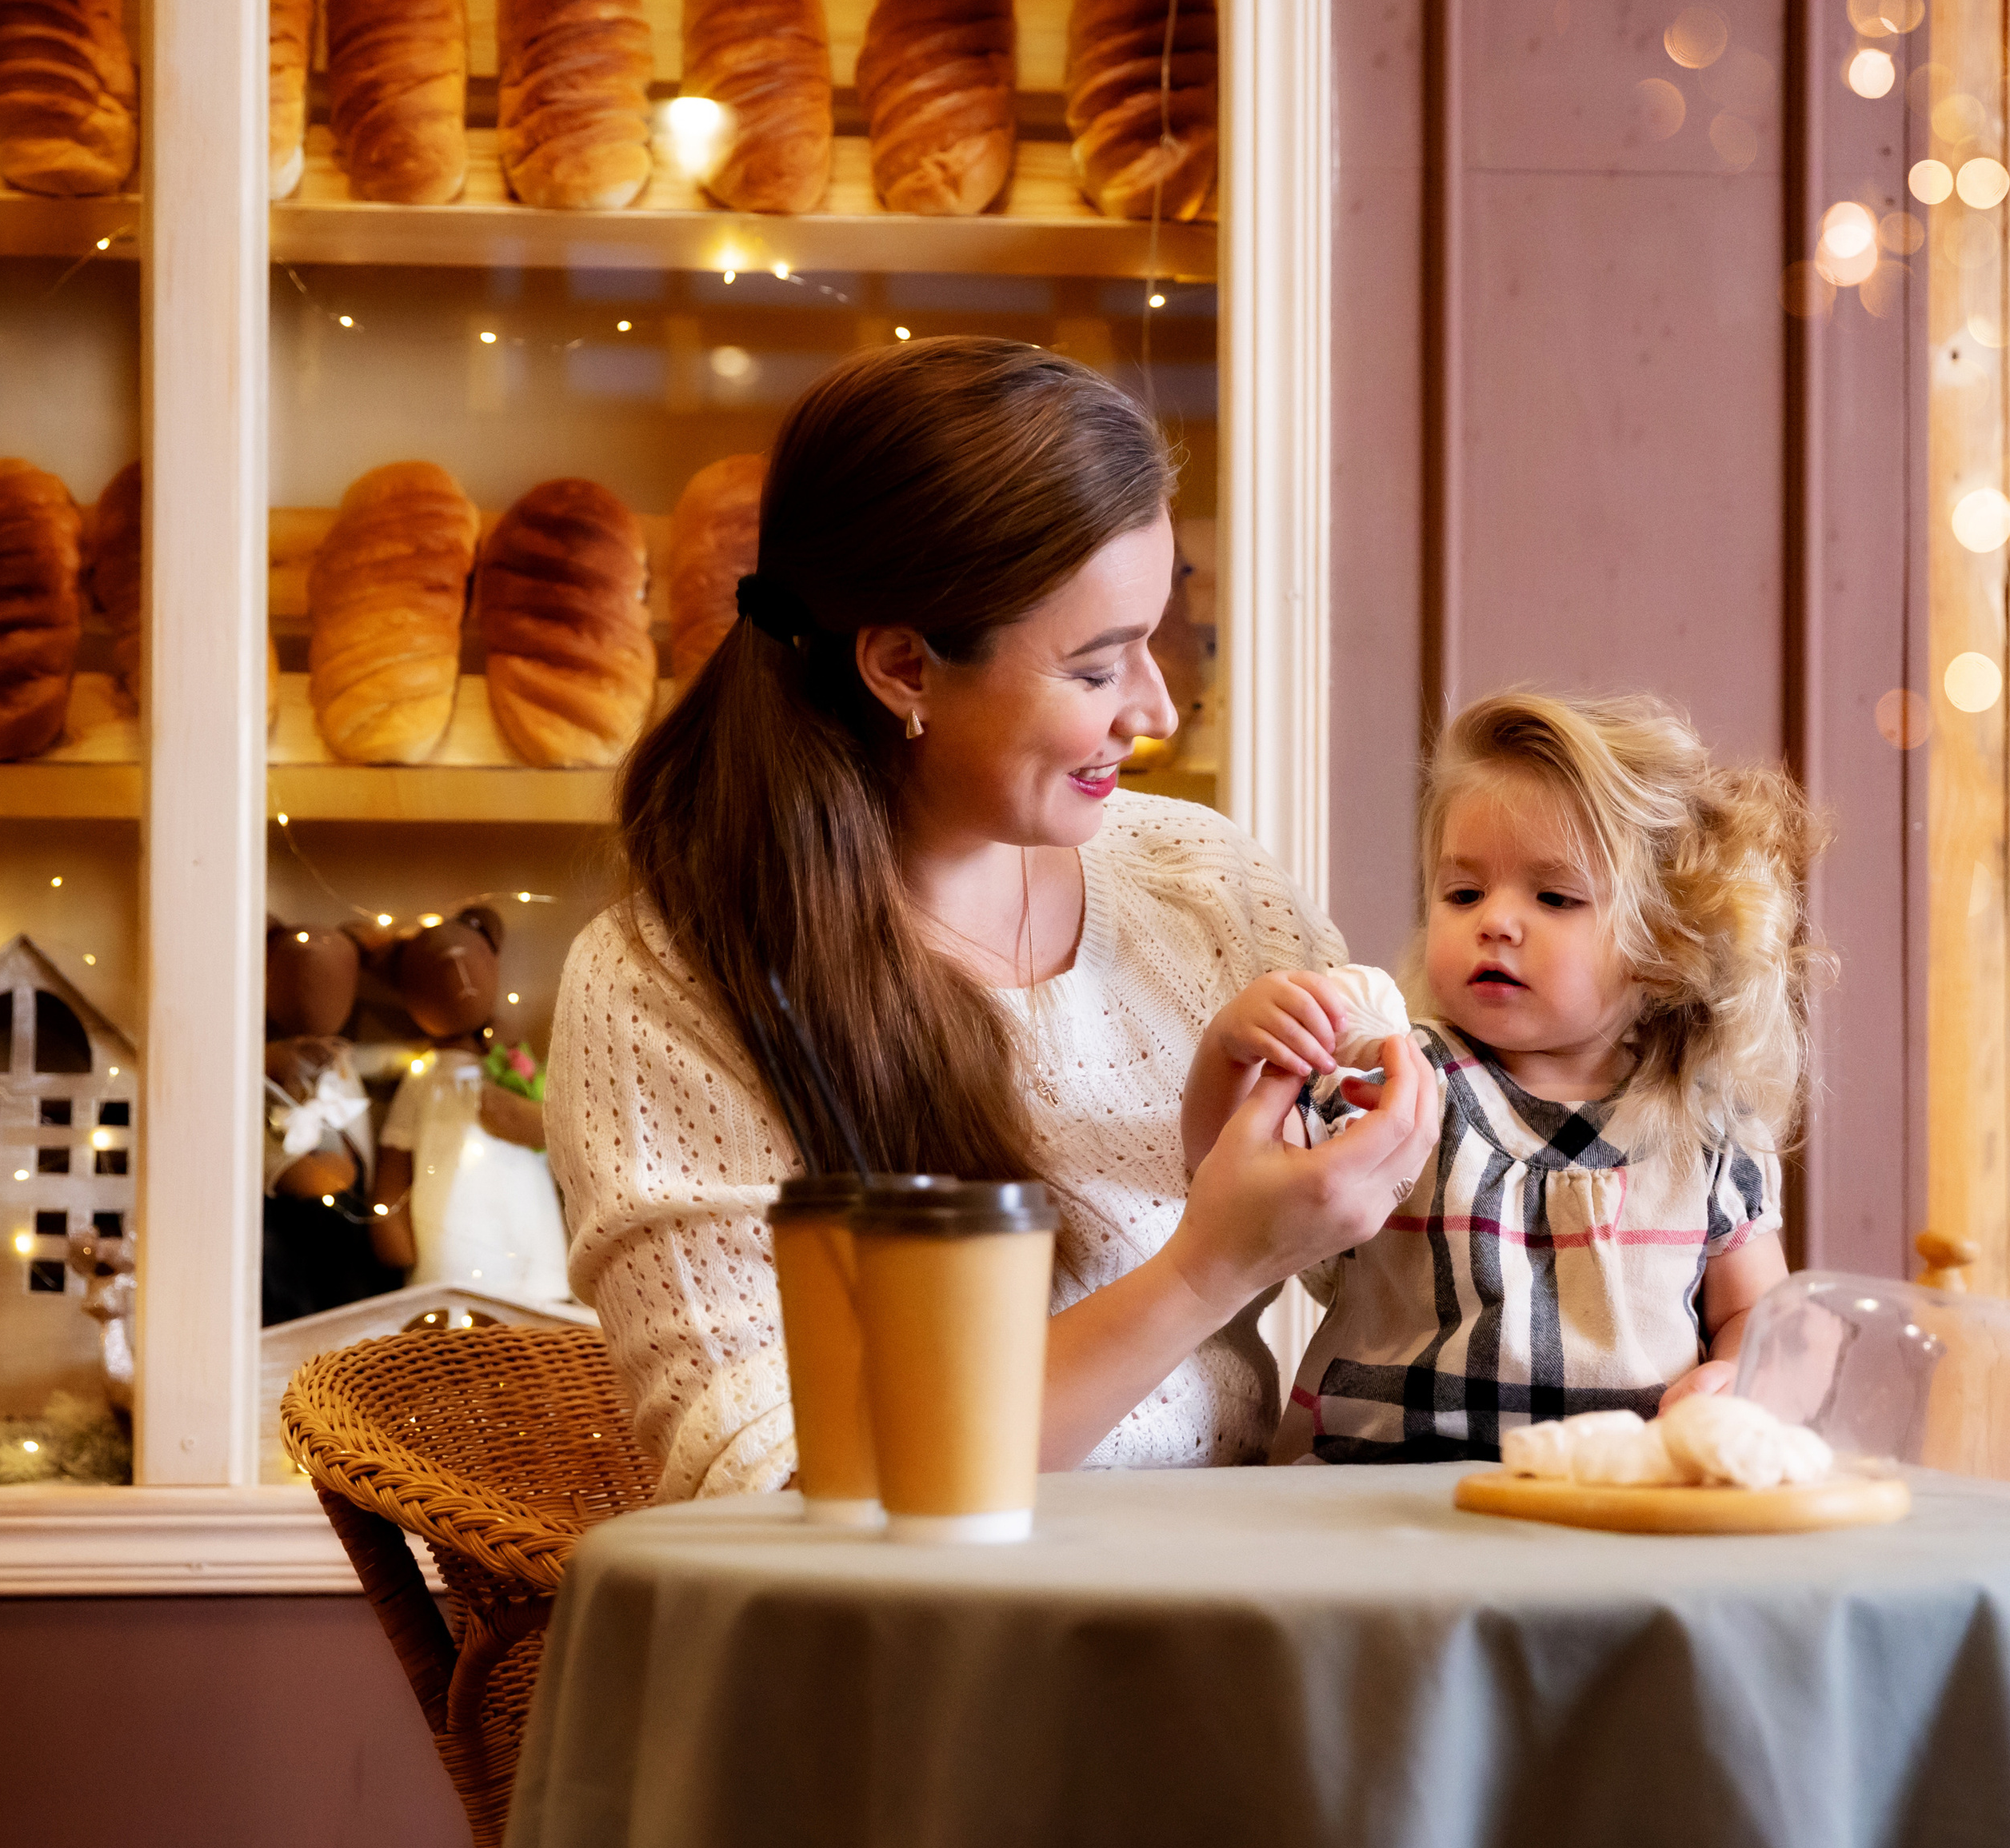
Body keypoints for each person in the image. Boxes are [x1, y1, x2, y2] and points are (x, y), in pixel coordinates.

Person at [544, 337, 1437, 1499]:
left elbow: (1435, 1286)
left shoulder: (1204, 888)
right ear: (906, 667)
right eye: (1098, 668)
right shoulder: (665, 985)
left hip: (1227, 1618)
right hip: (910, 1664)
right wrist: (1210, 1263)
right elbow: (779, 1483)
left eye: (1155, 645)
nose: (1156, 711)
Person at [1181, 689, 1828, 1464]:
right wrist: (1230, 1054)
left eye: (1554, 896)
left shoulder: (1706, 1126)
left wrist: (1734, 1378)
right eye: (1463, 892)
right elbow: (1231, 1177)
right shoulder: (1395, 1076)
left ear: (1666, 946)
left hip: (1612, 1492)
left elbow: (1752, 1307)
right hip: (1370, 1492)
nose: (1494, 920)